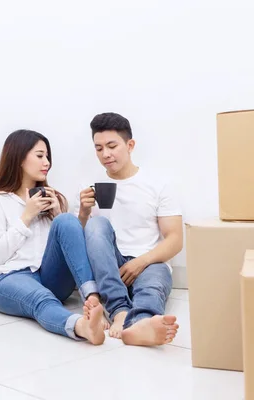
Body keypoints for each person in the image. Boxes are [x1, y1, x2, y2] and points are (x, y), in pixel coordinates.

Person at [0, 129, 106, 345]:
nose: (46, 162)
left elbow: (69, 249)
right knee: (42, 299)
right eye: (40, 156)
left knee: (66, 221)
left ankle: (93, 300)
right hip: (11, 278)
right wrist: (27, 216)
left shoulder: (52, 197)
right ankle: (81, 326)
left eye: (47, 156)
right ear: (19, 158)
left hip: (50, 278)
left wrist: (57, 215)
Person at [75, 112, 183, 346]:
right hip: (109, 264)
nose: (105, 154)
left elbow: (175, 239)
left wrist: (140, 262)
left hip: (148, 260)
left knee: (152, 286)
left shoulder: (158, 184)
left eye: (112, 146)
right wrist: (83, 213)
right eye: (99, 148)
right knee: (96, 224)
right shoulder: (89, 185)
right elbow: (79, 242)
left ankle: (141, 324)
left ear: (130, 145)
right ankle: (120, 312)